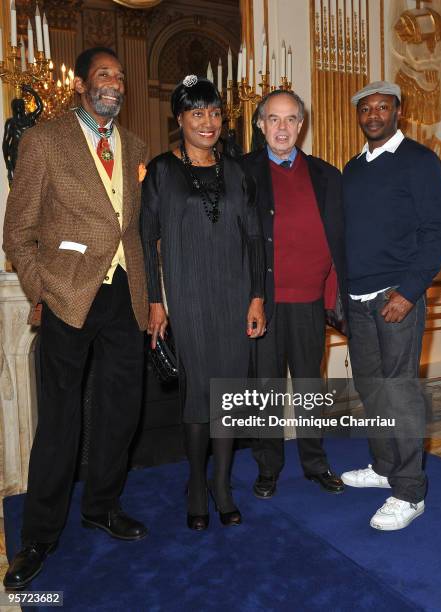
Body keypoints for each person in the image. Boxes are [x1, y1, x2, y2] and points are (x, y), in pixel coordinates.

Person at [3, 47, 149, 590]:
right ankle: (38, 536)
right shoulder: (44, 140)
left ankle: (102, 506)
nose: (115, 81)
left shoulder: (136, 146)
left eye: (120, 75)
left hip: (123, 298)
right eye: (104, 74)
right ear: (82, 85)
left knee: (120, 413)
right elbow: (17, 232)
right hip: (67, 295)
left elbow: (132, 231)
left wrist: (148, 296)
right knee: (60, 420)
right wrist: (42, 288)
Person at [141, 75, 265, 530]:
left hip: (234, 297)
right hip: (187, 297)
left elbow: (254, 238)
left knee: (228, 395)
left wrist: (256, 297)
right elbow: (144, 238)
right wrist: (156, 301)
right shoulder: (160, 171)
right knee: (199, 395)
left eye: (214, 112)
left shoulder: (237, 171)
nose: (208, 122)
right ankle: (196, 483)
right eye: (197, 113)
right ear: (180, 119)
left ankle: (223, 485)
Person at [341, 81, 441, 530]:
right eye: (365, 109)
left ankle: (409, 491)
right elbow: (348, 237)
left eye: (382, 107)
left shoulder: (420, 162)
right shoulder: (352, 169)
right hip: (357, 298)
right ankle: (385, 466)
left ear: (398, 112)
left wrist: (407, 292)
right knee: (371, 388)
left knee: (400, 390)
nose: (373, 115)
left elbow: (438, 233)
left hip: (396, 298)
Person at [241, 90, 347, 499]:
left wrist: (333, 299)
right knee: (266, 388)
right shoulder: (242, 172)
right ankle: (268, 469)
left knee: (308, 385)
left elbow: (340, 239)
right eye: (273, 119)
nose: (282, 128)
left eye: (290, 120)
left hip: (309, 301)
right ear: (260, 124)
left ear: (301, 125)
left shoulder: (326, 175)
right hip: (262, 302)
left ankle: (315, 465)